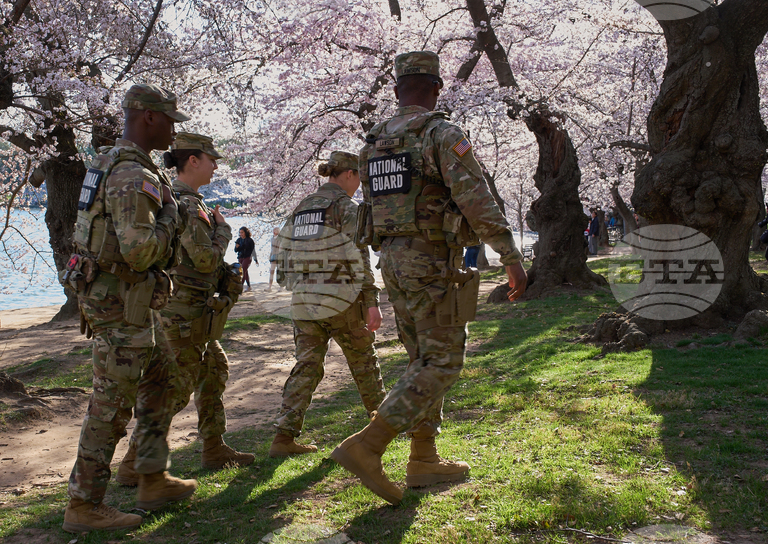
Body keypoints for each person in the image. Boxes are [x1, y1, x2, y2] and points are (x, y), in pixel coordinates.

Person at [331, 51, 526, 504]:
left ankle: (423, 458)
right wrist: (510, 255)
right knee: (443, 361)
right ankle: (368, 446)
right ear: (436, 89)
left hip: (393, 262)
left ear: (397, 91)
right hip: (431, 260)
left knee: (422, 357)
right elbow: (474, 196)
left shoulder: (373, 144)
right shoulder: (441, 133)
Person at [63, 83, 189, 532]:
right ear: (148, 118)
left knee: (166, 380)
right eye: (170, 120)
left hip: (120, 297)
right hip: (122, 301)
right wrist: (175, 216)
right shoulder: (132, 173)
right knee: (111, 402)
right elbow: (138, 251)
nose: (174, 131)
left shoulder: (107, 161)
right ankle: (84, 505)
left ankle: (149, 476)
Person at [114, 133, 254, 490]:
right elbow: (205, 259)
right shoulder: (187, 204)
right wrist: (223, 232)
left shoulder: (191, 202)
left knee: (214, 371)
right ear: (193, 160)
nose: (216, 166)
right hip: (182, 314)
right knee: (175, 390)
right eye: (211, 159)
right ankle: (134, 463)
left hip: (194, 311)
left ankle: (213, 447)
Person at [269, 151, 386, 457]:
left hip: (304, 301)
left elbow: (282, 253)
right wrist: (371, 300)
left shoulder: (302, 208)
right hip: (341, 300)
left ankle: (283, 437)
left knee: (306, 366)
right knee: (364, 362)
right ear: (347, 174)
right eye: (357, 177)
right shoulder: (346, 207)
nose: (359, 184)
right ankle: (384, 425)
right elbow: (360, 255)